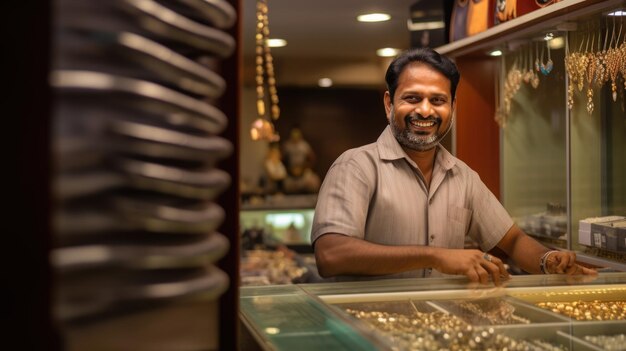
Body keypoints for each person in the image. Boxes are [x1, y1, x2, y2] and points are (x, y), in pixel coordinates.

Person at [311, 47, 596, 285]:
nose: (425, 110)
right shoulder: (356, 167)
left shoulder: (463, 176)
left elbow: (513, 240)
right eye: (412, 98)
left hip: (443, 330)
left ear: (452, 108)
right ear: (389, 104)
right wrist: (436, 255)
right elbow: (331, 255)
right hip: (368, 334)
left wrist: (548, 261)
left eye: (438, 100)